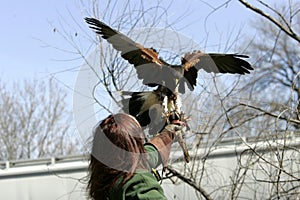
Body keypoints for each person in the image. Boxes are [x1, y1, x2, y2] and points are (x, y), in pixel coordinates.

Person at [87, 113, 183, 200]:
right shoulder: (138, 184)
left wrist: (170, 130)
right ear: (134, 144)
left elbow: (151, 151)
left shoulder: (106, 178)